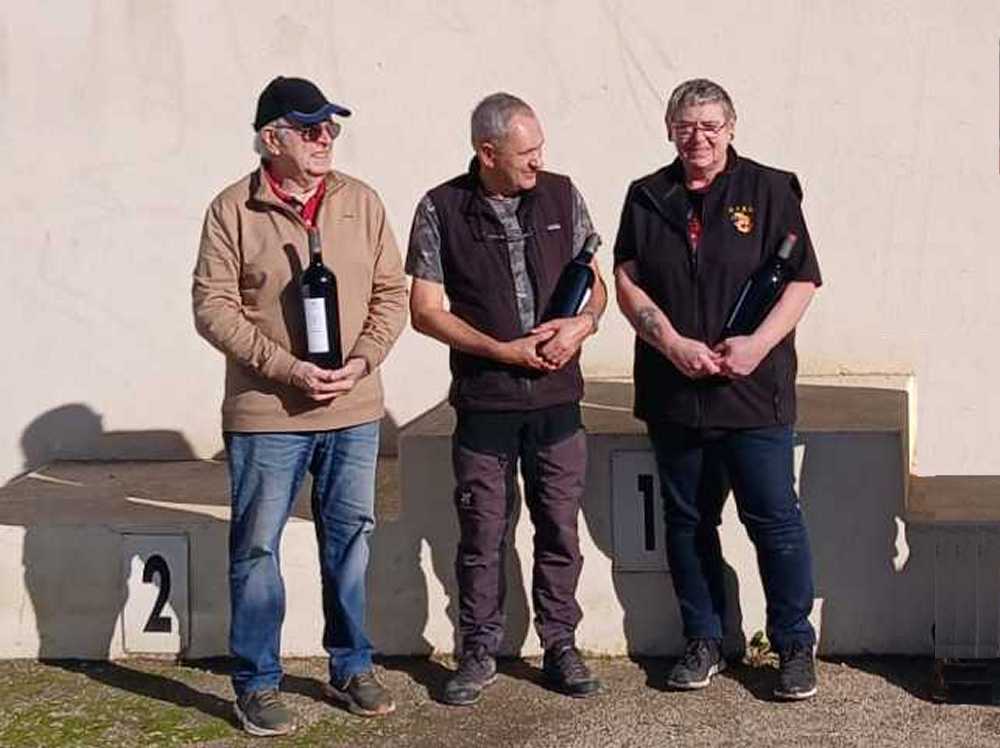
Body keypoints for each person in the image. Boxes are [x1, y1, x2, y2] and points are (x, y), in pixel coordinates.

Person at [192, 76, 407, 735]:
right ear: (271, 138)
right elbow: (212, 307)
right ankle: (257, 683)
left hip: (354, 408)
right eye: (310, 129)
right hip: (268, 415)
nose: (325, 139)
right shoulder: (232, 210)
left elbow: (391, 294)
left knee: (350, 541)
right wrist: (287, 369)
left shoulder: (360, 201)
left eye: (330, 128)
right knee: (257, 547)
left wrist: (362, 360)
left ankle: (352, 666)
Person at [613, 78, 822, 700]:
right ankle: (703, 639)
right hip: (675, 392)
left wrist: (757, 346)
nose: (697, 137)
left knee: (775, 522)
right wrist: (671, 343)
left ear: (731, 128)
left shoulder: (770, 189)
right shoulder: (647, 196)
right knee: (687, 522)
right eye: (685, 126)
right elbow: (627, 279)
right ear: (669, 130)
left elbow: (802, 282)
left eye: (710, 125)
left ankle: (792, 644)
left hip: (753, 394)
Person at [407, 92, 606, 706]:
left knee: (559, 528)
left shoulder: (562, 194)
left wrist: (583, 325)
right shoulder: (441, 208)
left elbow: (595, 284)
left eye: (540, 148)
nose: (538, 161)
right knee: (482, 533)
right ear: (487, 152)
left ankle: (561, 644)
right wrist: (500, 351)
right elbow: (425, 311)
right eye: (527, 153)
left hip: (557, 402)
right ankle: (478, 650)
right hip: (485, 403)